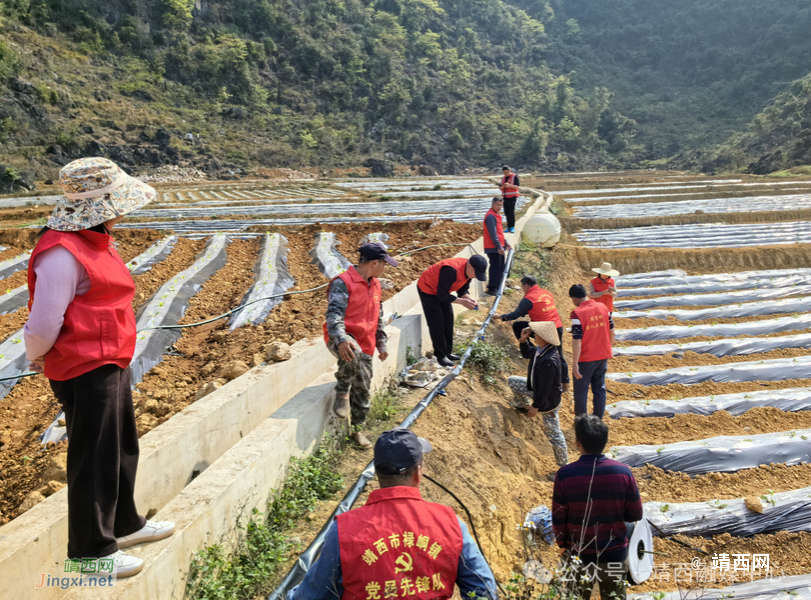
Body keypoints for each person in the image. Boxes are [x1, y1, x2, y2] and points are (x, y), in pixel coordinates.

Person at [24, 157, 175, 578]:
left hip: (109, 359)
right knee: (93, 456)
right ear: (104, 204)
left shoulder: (96, 239)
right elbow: (43, 320)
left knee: (121, 447)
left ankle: (124, 526)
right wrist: (38, 351)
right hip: (85, 366)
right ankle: (91, 552)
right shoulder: (60, 252)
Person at [287, 428, 498, 600]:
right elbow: (484, 591)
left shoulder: (344, 529)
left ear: (377, 474)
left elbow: (313, 593)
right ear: (418, 473)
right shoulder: (450, 524)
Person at [552, 415, 643, 600]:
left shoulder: (565, 475)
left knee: (575, 597)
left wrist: (562, 545)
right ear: (605, 441)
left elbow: (558, 517)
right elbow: (635, 514)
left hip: (578, 555)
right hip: (614, 554)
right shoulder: (623, 473)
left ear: (577, 442)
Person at [324, 242, 398, 448]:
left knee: (364, 386)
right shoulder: (343, 282)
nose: (385, 267)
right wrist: (342, 339)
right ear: (375, 262)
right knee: (352, 352)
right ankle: (342, 391)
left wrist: (381, 343)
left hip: (365, 342)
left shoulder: (375, 284)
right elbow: (334, 316)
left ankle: (358, 429)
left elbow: (378, 316)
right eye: (384, 263)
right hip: (339, 339)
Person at [505, 322, 569, 467]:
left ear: (545, 337)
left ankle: (563, 466)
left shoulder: (549, 361)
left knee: (554, 435)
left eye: (536, 333)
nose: (534, 334)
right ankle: (522, 404)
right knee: (512, 381)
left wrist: (535, 406)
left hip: (548, 402)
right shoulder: (541, 350)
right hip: (537, 391)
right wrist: (523, 340)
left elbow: (545, 389)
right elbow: (527, 352)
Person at [494, 275, 569, 392]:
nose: (522, 289)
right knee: (559, 354)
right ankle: (565, 384)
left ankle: (530, 352)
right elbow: (539, 308)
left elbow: (515, 315)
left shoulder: (528, 299)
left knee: (518, 326)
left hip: (542, 329)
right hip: (557, 326)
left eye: (522, 286)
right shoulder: (546, 293)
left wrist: (500, 317)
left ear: (526, 285)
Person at [417, 256, 488, 368]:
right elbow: (441, 294)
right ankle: (440, 356)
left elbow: (462, 290)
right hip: (428, 289)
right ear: (470, 266)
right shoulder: (451, 270)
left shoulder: (468, 272)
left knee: (448, 319)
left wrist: (468, 299)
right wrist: (462, 302)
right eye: (476, 273)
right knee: (437, 323)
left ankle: (448, 352)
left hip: (443, 291)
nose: (475, 276)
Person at [569, 284, 614, 419]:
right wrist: (608, 349)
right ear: (586, 295)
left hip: (586, 358)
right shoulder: (603, 307)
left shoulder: (577, 313)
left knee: (581, 391)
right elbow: (612, 331)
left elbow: (577, 340)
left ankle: (582, 425)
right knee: (599, 389)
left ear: (574, 299)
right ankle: (598, 421)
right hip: (602, 356)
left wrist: (575, 363)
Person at [482, 197, 512, 296]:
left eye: (501, 205)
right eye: (497, 205)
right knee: (495, 267)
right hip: (494, 247)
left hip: (499, 246)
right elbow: (493, 234)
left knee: (500, 267)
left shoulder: (495, 215)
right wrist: (499, 247)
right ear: (492, 204)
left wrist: (505, 243)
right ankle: (492, 288)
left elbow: (499, 233)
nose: (499, 207)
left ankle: (498, 286)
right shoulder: (491, 216)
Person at [498, 166, 520, 232]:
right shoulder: (503, 178)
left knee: (511, 212)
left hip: (512, 197)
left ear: (510, 171)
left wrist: (509, 185)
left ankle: (512, 227)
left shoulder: (515, 177)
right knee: (506, 212)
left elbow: (517, 186)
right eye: (504, 173)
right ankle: (508, 227)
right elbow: (500, 188)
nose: (505, 174)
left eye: (506, 172)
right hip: (505, 197)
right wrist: (503, 186)